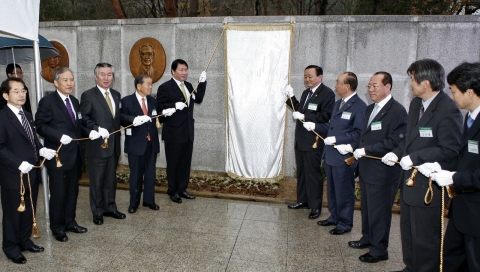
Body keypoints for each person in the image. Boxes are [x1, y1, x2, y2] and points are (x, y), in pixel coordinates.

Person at [381, 59, 463, 271]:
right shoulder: (416, 104)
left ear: (425, 83)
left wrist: (416, 157)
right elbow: (409, 139)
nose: (410, 84)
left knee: (425, 237)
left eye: (412, 79)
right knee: (408, 232)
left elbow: (450, 149)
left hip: (428, 185)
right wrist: (395, 153)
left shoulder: (447, 109)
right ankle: (411, 266)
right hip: (409, 182)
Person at [334, 72, 407, 262]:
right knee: (367, 208)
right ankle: (367, 238)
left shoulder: (397, 111)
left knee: (380, 212)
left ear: (388, 87)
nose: (371, 89)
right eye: (369, 86)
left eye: (375, 86)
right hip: (367, 169)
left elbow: (393, 141)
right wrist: (352, 146)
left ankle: (379, 249)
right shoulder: (370, 109)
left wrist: (366, 150)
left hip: (383, 171)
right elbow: (363, 135)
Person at [417, 62, 480, 271]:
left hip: (476, 212)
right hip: (462, 210)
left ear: (469, 92)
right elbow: (463, 156)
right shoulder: (470, 118)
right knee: (452, 259)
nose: (452, 97)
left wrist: (455, 178)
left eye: (454, 91)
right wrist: (439, 166)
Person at [0, 78, 56, 264]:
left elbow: (32, 140)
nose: (21, 94)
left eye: (23, 90)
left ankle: (24, 240)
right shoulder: (2, 117)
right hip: (13, 174)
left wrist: (41, 149)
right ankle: (11, 247)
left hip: (31, 172)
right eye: (15, 91)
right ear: (5, 95)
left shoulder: (27, 114)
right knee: (13, 213)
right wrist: (17, 163)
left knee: (29, 210)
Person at [34, 67, 87, 242]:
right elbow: (40, 125)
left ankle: (69, 221)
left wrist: (93, 131)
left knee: (72, 191)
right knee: (58, 193)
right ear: (56, 82)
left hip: (75, 154)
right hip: (58, 156)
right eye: (65, 80)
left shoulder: (75, 101)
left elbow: (77, 125)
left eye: (71, 79)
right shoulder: (47, 101)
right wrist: (58, 136)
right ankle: (57, 227)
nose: (70, 83)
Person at [312, 72, 366, 235]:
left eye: (338, 83)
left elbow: (358, 133)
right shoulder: (338, 104)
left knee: (344, 191)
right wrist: (313, 125)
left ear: (347, 86)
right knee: (333, 190)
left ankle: (345, 222)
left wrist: (337, 139)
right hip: (330, 156)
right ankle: (334, 217)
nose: (335, 85)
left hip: (344, 157)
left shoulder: (360, 106)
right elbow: (330, 127)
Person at [79, 62, 132, 225]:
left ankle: (110, 207)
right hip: (97, 146)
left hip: (113, 145)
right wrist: (95, 128)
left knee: (110, 179)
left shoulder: (116, 95)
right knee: (97, 180)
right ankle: (97, 211)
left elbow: (119, 116)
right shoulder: (88, 95)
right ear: (96, 76)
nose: (106, 78)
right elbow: (84, 118)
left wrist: (134, 120)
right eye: (103, 74)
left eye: (109, 74)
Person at [283, 65, 335, 219]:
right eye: (305, 76)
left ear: (320, 77)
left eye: (310, 76)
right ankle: (303, 200)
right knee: (303, 172)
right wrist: (290, 98)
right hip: (301, 140)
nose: (307, 79)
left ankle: (315, 206)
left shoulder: (327, 94)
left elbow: (325, 116)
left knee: (313, 174)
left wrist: (306, 117)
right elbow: (299, 110)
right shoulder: (307, 93)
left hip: (314, 140)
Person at [156, 59, 206, 203]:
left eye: (186, 69)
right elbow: (159, 109)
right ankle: (172, 190)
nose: (184, 72)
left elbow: (198, 99)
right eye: (181, 70)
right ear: (173, 71)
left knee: (185, 162)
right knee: (174, 163)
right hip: (173, 132)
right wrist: (172, 106)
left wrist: (202, 83)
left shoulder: (189, 85)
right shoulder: (165, 87)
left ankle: (182, 189)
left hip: (188, 131)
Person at [121, 74, 173, 213]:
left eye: (151, 84)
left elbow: (156, 120)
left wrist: (164, 115)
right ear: (139, 86)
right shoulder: (126, 101)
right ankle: (134, 203)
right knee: (136, 175)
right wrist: (134, 119)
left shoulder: (153, 101)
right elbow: (121, 118)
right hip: (136, 145)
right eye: (148, 84)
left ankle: (149, 201)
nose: (151, 87)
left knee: (150, 174)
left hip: (151, 144)